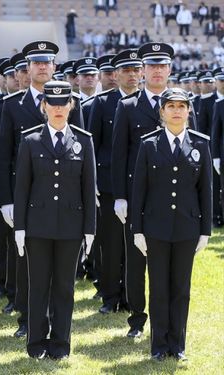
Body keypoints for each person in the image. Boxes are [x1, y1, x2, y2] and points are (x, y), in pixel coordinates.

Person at [0, 41, 84, 339]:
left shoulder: (72, 102)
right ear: (27, 68)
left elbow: (81, 148)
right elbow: (2, 154)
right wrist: (6, 199)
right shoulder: (12, 104)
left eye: (47, 62)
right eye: (36, 63)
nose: (42, 67)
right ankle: (28, 319)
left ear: (54, 67)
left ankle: (56, 323)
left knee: (59, 273)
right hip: (27, 200)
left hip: (63, 200)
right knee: (27, 264)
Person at [13, 80, 96, 360]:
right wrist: (20, 227)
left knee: (64, 287)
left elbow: (88, 187)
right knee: (38, 285)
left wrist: (89, 229)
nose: (58, 108)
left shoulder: (83, 141)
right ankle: (36, 342)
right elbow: (22, 188)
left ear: (71, 106)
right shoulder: (31, 140)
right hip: (38, 226)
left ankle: (60, 344)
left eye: (64, 103)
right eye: (53, 103)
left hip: (71, 227)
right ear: (44, 106)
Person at [111, 42, 188, 339]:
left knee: (170, 262)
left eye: (162, 66)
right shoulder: (128, 106)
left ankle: (167, 318)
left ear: (169, 69)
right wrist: (120, 195)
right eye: (152, 66)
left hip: (172, 199)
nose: (157, 71)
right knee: (136, 260)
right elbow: (119, 155)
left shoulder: (181, 103)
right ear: (144, 71)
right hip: (137, 196)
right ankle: (137, 317)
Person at [130, 88, 211, 361]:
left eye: (181, 106)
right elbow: (139, 190)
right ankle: (158, 345)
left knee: (181, 289)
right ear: (162, 111)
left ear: (189, 111)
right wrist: (137, 229)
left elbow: (206, 191)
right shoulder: (149, 144)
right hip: (156, 228)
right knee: (159, 289)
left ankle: (177, 346)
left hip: (187, 228)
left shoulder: (200, 144)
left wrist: (205, 231)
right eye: (171, 106)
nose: (176, 111)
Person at [88, 49, 142, 314]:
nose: (131, 76)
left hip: (142, 185)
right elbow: (93, 145)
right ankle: (110, 297)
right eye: (125, 71)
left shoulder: (150, 102)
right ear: (116, 74)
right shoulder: (102, 102)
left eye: (135, 70)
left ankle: (133, 297)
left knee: (136, 244)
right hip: (110, 184)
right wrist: (94, 182)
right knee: (110, 243)